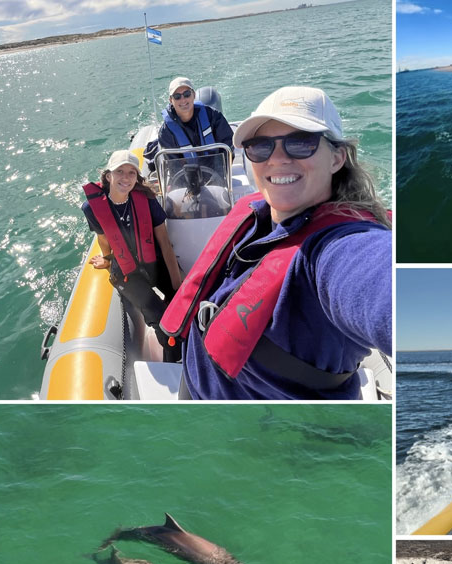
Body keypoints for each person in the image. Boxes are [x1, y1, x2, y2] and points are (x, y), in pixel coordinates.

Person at [160, 85, 391, 400]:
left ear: (337, 158)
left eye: (301, 142)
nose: (278, 159)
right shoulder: (259, 216)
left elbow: (380, 283)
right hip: (198, 391)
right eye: (260, 146)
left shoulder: (339, 249)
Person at [82, 150, 182, 360]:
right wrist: (107, 260)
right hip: (127, 273)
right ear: (108, 175)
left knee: (182, 304)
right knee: (161, 318)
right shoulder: (92, 207)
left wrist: (176, 284)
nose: (125, 178)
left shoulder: (146, 200)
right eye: (120, 171)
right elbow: (103, 237)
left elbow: (164, 242)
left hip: (154, 261)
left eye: (131, 173)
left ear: (137, 178)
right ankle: (174, 361)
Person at [144, 77, 234, 171]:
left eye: (187, 94)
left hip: (218, 173)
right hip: (187, 178)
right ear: (171, 100)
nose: (183, 100)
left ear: (194, 95)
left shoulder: (213, 116)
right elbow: (173, 166)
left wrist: (220, 173)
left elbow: (228, 145)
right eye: (177, 96)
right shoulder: (166, 132)